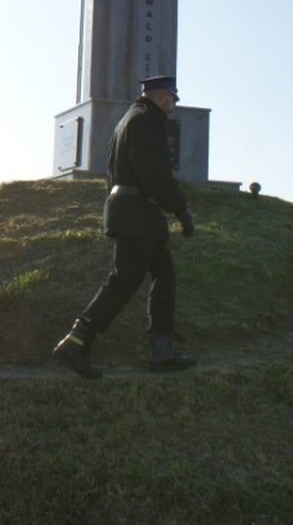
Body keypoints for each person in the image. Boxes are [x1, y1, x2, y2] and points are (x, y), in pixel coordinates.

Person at [52, 76, 197, 378]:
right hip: (136, 214)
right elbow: (154, 172)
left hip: (134, 212)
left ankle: (161, 347)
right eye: (172, 100)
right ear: (161, 96)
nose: (173, 107)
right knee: (124, 280)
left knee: (164, 274)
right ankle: (76, 341)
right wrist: (179, 206)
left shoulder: (127, 120)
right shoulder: (147, 121)